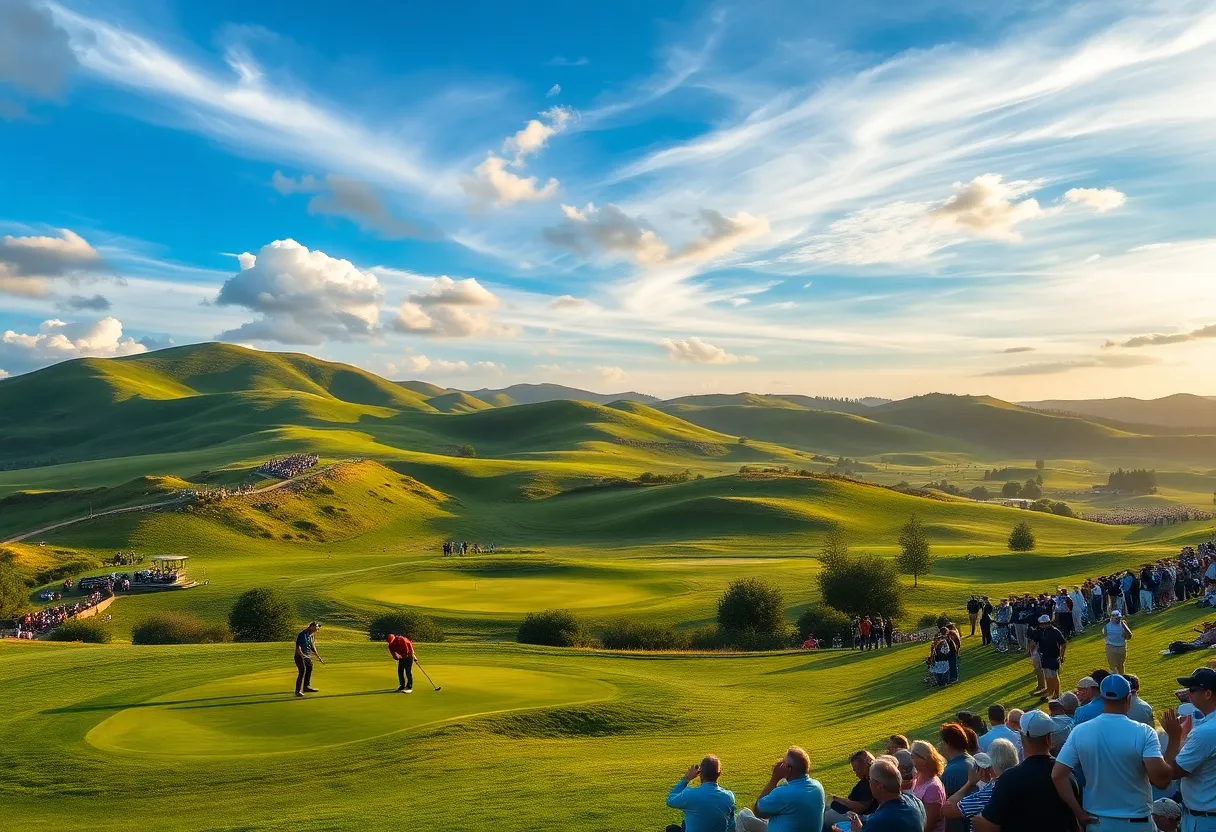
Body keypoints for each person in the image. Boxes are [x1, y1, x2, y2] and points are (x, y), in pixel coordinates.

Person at [1052, 674, 1172, 830]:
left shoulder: (1080, 731)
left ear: (1102, 697)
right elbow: (1161, 781)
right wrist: (1175, 739)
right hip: (1137, 822)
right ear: (1128, 698)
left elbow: (1057, 775)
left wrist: (1078, 813)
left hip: (1098, 822)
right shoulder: (1144, 732)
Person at [973, 711, 1079, 832]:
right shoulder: (1065, 773)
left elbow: (989, 826)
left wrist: (978, 821)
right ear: (1049, 739)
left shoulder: (1010, 779)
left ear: (1021, 738)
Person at [1162, 667, 1216, 831]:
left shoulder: (1205, 732)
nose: (1188, 694)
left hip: (1205, 820)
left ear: (1207, 694)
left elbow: (1171, 773)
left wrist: (1174, 737)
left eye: (1192, 689)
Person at [736, 747, 825, 832]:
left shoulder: (784, 793)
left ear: (789, 769)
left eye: (783, 762)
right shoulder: (818, 786)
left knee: (743, 815)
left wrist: (774, 779)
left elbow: (758, 811)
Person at [829, 759, 921, 832]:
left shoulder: (879, 820)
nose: (868, 782)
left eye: (870, 779)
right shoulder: (916, 802)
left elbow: (881, 822)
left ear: (879, 786)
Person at [944, 741, 1018, 830]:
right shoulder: (1024, 780)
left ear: (991, 764)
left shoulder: (989, 792)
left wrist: (969, 783)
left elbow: (946, 810)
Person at [666, 755, 737, 832]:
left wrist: (686, 779)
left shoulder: (690, 794)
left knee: (671, 829)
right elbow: (731, 825)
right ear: (719, 773)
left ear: (700, 773)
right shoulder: (729, 796)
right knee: (683, 824)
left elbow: (670, 800)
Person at [825, 751, 876, 829]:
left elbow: (860, 808)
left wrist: (835, 798)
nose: (856, 774)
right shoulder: (866, 781)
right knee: (823, 809)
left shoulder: (870, 783)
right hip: (847, 811)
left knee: (824, 817)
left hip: (856, 817)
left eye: (856, 770)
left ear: (864, 766)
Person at [939, 724, 976, 832]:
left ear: (948, 744)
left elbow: (941, 808)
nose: (939, 745)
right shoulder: (972, 761)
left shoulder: (950, 773)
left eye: (941, 741)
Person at [910, 740, 948, 832]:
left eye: (913, 756)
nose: (910, 758)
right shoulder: (917, 775)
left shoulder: (933, 788)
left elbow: (929, 824)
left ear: (924, 760)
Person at [1030, 615, 1067, 701]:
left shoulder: (1055, 631)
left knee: (1053, 676)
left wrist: (1061, 656)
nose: (1041, 625)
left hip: (1053, 656)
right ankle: (1050, 692)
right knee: (1047, 676)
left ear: (1047, 623)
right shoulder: (1040, 631)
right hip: (1044, 656)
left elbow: (1063, 643)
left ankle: (1057, 693)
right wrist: (1031, 652)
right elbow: (1034, 641)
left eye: (1043, 624)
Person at [293, 621, 323, 697]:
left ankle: (306, 686)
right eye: (316, 629)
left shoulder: (312, 635)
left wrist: (318, 656)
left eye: (317, 629)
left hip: (306, 656)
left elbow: (312, 647)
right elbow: (298, 646)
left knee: (309, 667)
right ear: (311, 626)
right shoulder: (302, 634)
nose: (316, 630)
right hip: (299, 656)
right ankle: (297, 691)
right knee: (302, 671)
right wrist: (301, 654)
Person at [1104, 611, 1132, 676]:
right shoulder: (1107, 625)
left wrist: (1124, 627)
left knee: (1120, 665)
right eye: (1116, 618)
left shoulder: (1123, 623)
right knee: (1113, 666)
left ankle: (1121, 678)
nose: (1118, 620)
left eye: (1119, 618)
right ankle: (1115, 679)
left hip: (1122, 647)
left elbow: (1129, 636)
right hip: (1110, 647)